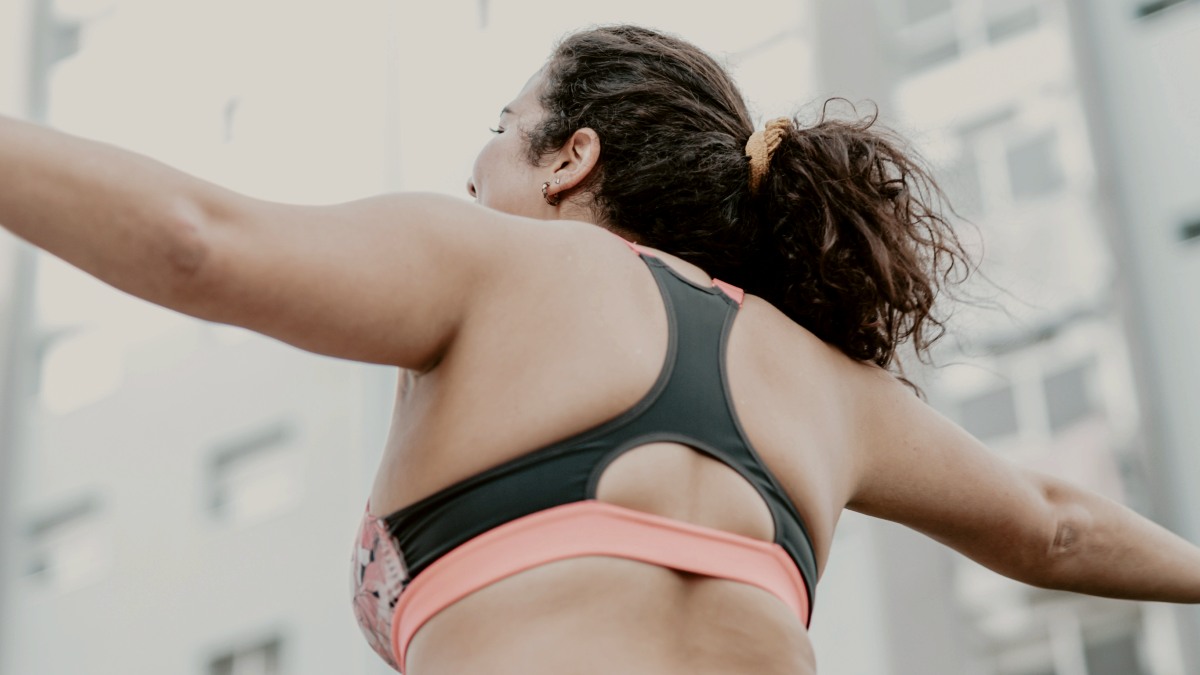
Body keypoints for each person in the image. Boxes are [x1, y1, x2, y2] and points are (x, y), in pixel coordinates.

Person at [2, 22, 1198, 675]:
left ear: (571, 159)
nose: (473, 169)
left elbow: (195, 243)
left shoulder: (485, 260)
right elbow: (1057, 525)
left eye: (500, 132)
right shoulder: (834, 391)